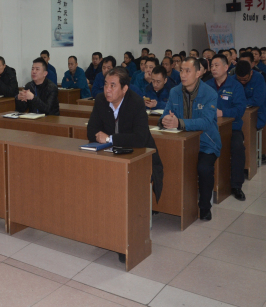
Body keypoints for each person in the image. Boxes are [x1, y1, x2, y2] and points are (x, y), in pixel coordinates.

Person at [87, 66, 164, 258]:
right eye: (106, 84)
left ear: (124, 88)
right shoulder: (100, 100)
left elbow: (140, 138)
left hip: (140, 157)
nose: (107, 90)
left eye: (113, 85)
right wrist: (108, 140)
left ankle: (125, 240)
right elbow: (91, 131)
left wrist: (110, 138)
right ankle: (106, 231)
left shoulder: (136, 103)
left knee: (125, 190)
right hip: (112, 155)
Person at [160, 57, 221, 221]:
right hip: (182, 144)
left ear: (198, 73)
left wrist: (179, 123)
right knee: (165, 163)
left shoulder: (210, 93)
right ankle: (164, 203)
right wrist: (166, 120)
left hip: (206, 143)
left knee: (204, 169)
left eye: (188, 71)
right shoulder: (174, 92)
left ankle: (204, 206)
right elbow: (164, 115)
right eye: (181, 70)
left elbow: (206, 122)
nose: (183, 75)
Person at [206, 54, 248, 201]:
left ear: (226, 67)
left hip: (232, 128)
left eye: (216, 65)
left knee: (237, 147)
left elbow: (240, 109)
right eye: (211, 66)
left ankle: (236, 185)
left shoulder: (236, 86)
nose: (213, 68)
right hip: (209, 128)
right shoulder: (206, 85)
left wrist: (223, 113)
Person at [233, 60, 266, 133]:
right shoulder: (233, 79)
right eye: (239, 80)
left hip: (256, 115)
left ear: (251, 73)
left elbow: (258, 100)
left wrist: (240, 103)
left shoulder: (259, 78)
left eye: (245, 79)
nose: (242, 82)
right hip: (236, 115)